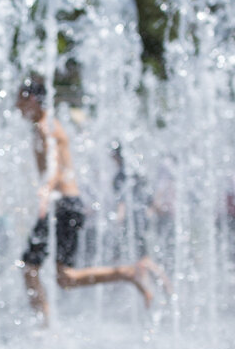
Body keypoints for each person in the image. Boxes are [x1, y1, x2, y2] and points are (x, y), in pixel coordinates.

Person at [15, 79, 160, 323]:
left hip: (61, 205)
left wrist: (45, 192)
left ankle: (45, 326)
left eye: (19, 99)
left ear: (31, 99)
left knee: (37, 269)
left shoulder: (45, 127)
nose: (16, 106)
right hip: (64, 204)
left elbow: (54, 168)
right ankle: (127, 272)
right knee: (62, 277)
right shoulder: (49, 124)